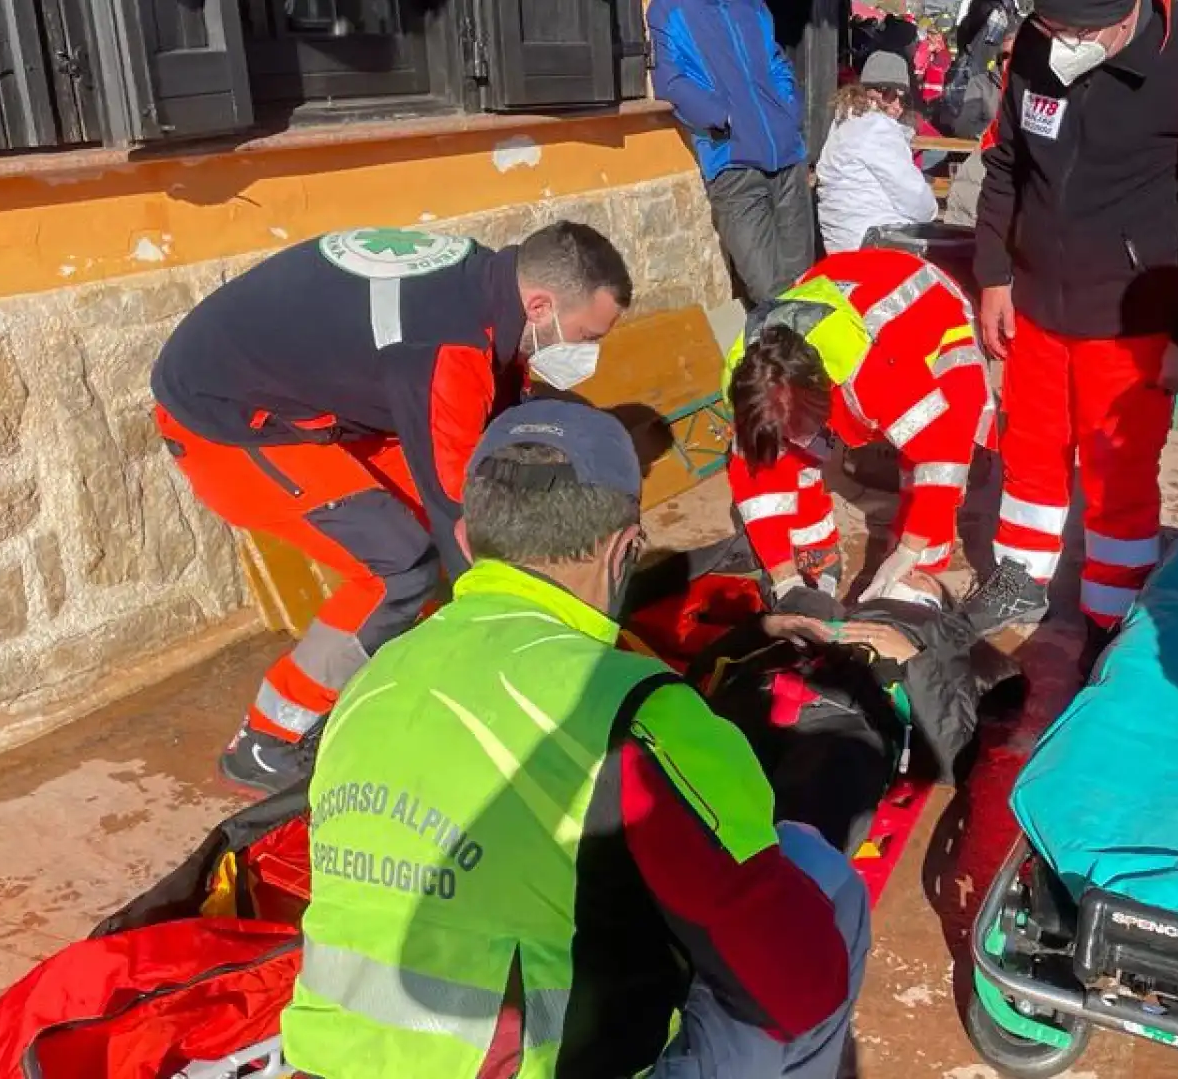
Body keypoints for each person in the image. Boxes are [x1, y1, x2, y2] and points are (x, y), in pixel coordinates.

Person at [280, 399, 867, 1079]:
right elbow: (796, 988)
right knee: (819, 873)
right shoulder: (637, 710)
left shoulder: (371, 683)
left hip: (333, 1064)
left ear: (467, 541)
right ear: (625, 550)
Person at [151, 222, 630, 793]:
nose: (586, 352)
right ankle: (267, 740)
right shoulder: (447, 347)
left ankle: (416, 665)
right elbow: (460, 510)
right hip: (226, 419)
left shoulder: (486, 287)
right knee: (401, 567)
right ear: (541, 304)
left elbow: (492, 426)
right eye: (584, 336)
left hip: (316, 397)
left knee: (443, 538)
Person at [967, 0, 1178, 660]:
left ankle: (1113, 608)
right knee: (1030, 456)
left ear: (1128, 14)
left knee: (1118, 474)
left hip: (1134, 319)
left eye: (1080, 31)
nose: (1064, 42)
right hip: (1039, 305)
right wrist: (994, 276)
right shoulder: (1033, 46)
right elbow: (1004, 165)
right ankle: (1021, 577)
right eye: (1053, 27)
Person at [725, 247, 991, 614]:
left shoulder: (874, 370)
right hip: (845, 301)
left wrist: (909, 550)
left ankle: (917, 586)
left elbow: (942, 455)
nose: (799, 437)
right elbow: (758, 482)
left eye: (803, 425)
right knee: (788, 452)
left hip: (929, 317)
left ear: (824, 391)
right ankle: (815, 558)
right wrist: (784, 576)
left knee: (926, 471)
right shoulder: (752, 384)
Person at [649, 0, 813, 302]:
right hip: (732, 164)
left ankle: (807, 348)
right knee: (769, 290)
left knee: (805, 280)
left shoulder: (753, 6)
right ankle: (781, 346)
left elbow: (776, 61)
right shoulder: (669, 9)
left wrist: (788, 111)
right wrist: (722, 118)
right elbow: (671, 82)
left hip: (788, 157)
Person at [817, 53, 940, 253]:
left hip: (843, 245)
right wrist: (932, 209)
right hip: (877, 245)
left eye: (903, 97)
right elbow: (918, 202)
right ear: (867, 92)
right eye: (888, 93)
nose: (896, 105)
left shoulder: (843, 122)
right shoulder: (876, 128)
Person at [916, 24, 953, 106]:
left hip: (932, 95)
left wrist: (928, 52)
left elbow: (933, 67)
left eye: (931, 35)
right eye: (928, 36)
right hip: (925, 92)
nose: (928, 38)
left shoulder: (944, 54)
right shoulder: (929, 48)